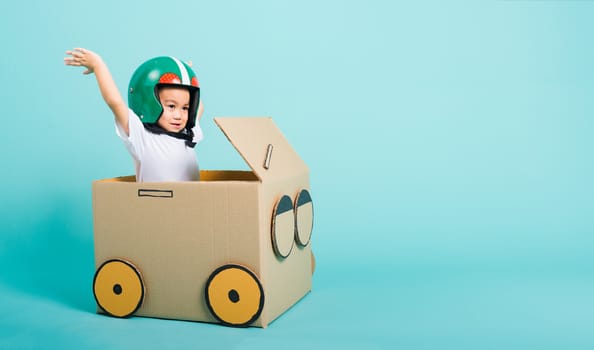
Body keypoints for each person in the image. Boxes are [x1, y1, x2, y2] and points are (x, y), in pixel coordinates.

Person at [64, 48, 204, 182]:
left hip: (190, 206)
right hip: (157, 206)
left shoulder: (188, 134)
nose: (179, 115)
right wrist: (98, 65)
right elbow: (114, 102)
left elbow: (199, 108)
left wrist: (186, 73)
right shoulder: (142, 137)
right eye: (171, 106)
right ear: (148, 102)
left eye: (185, 108)